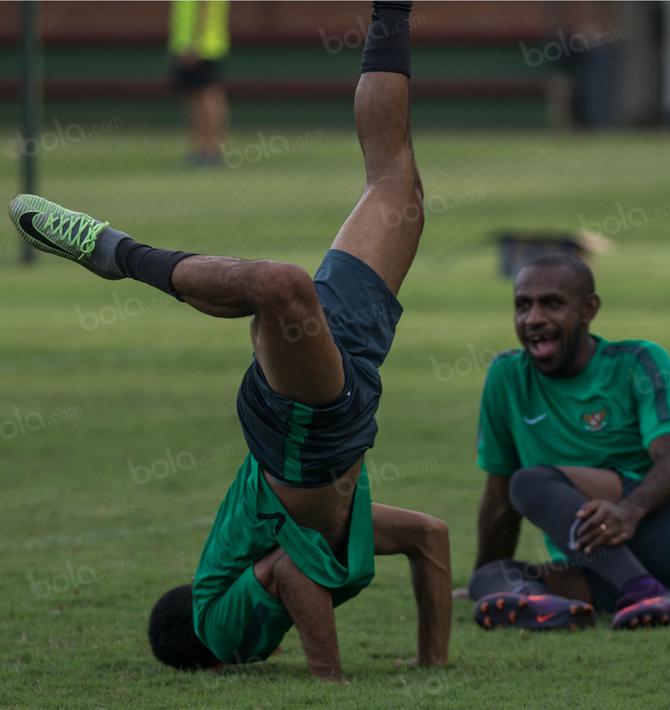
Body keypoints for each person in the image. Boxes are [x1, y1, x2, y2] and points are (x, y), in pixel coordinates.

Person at [11, 2, 449, 679]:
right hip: (349, 386)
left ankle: (117, 253)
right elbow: (431, 538)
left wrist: (329, 680)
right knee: (397, 183)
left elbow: (285, 575)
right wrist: (432, 663)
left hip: (302, 434)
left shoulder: (217, 623)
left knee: (280, 287)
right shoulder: (339, 540)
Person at [465, 252, 670, 630]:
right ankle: (555, 605)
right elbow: (499, 500)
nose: (534, 319)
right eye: (522, 305)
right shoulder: (507, 377)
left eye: (553, 304)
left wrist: (630, 510)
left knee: (531, 482)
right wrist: (486, 579)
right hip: (607, 562)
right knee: (492, 576)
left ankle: (644, 590)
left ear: (589, 309)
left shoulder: (638, 361)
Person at [169, 0, 231, 166]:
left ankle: (212, 150)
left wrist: (193, 44)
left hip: (202, 47)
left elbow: (204, 8)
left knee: (208, 97)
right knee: (195, 98)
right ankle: (201, 148)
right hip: (190, 45)